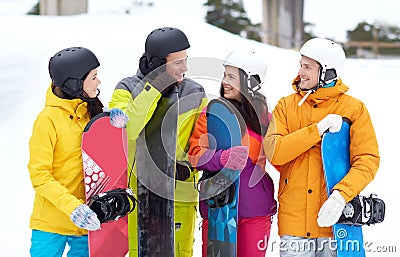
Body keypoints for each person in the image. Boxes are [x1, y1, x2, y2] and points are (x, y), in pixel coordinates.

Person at [263, 38, 380, 256]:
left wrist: (340, 196)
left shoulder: (353, 109)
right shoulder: (286, 106)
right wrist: (316, 130)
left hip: (337, 221)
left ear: (327, 73)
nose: (300, 72)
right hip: (294, 223)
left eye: (307, 67)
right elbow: (275, 152)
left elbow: (367, 160)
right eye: (301, 65)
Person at [109, 27, 208, 257]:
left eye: (186, 60)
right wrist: (154, 87)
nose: (185, 68)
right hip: (138, 197)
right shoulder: (126, 88)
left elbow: (201, 139)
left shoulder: (194, 91)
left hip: (179, 194)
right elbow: (130, 128)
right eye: (178, 62)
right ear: (157, 64)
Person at [188, 50, 277, 257]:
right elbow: (194, 154)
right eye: (225, 75)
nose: (225, 82)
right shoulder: (211, 114)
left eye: (232, 77)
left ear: (251, 82)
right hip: (219, 207)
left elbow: (280, 157)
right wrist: (221, 158)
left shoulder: (267, 119)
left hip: (255, 209)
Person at [28, 47, 105, 257]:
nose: (99, 82)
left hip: (86, 223)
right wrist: (73, 208)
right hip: (51, 223)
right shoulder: (48, 120)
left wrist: (113, 126)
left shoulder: (91, 113)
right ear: (75, 83)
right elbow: (40, 176)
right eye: (94, 77)